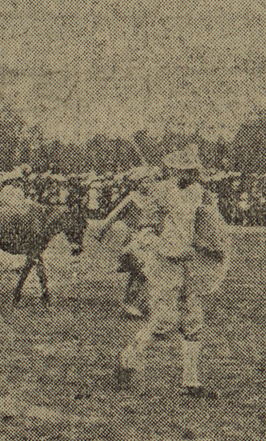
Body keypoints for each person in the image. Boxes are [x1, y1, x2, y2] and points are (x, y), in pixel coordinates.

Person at [95, 145, 229, 397]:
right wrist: (167, 247)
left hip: (190, 265)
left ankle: (191, 382)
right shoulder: (160, 192)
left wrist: (210, 248)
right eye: (185, 170)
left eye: (192, 171)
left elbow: (209, 226)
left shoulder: (201, 193)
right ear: (174, 170)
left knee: (194, 321)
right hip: (164, 263)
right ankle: (128, 357)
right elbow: (145, 229)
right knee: (163, 320)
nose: (189, 175)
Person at [95, 166, 163, 319]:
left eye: (149, 181)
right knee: (142, 270)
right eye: (144, 182)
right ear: (138, 184)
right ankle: (134, 304)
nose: (148, 185)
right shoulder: (132, 198)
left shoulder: (156, 198)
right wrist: (102, 231)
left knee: (145, 272)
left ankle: (136, 304)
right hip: (136, 238)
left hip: (152, 238)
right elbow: (114, 214)